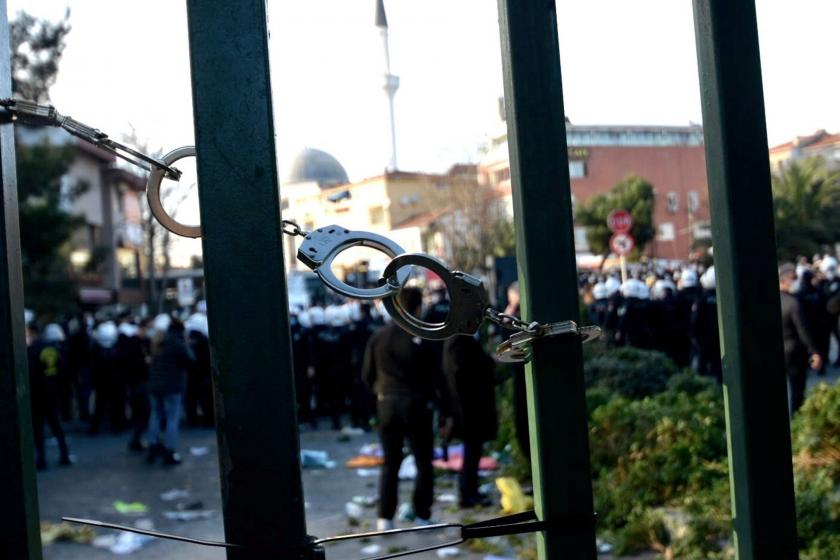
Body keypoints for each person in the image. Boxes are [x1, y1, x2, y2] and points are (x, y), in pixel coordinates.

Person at [362, 287, 453, 530]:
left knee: (390, 462)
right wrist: (446, 410)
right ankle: (422, 513)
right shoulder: (424, 339)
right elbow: (437, 378)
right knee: (423, 461)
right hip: (417, 405)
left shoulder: (378, 337)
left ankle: (385, 517)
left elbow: (367, 375)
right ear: (418, 307)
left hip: (387, 403)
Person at [442, 331, 497, 508]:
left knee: (473, 450)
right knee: (472, 450)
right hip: (469, 407)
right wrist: (488, 362)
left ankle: (470, 491)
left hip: (469, 406)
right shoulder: (458, 340)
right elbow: (462, 371)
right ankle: (468, 494)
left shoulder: (459, 339)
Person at [146, 318, 195, 465]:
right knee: (172, 418)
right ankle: (170, 450)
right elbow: (191, 360)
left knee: (155, 415)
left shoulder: (159, 342)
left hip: (155, 384)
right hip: (173, 385)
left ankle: (152, 445)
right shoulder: (178, 344)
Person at [28, 322, 73, 469]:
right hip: (52, 392)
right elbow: (62, 369)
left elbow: (31, 373)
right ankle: (64, 455)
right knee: (56, 425)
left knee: (39, 428)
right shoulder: (52, 349)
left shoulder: (32, 349)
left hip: (38, 393)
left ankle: (41, 459)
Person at [779, 263, 822, 414]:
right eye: (793, 278)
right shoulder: (794, 303)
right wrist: (814, 352)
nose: (796, 281)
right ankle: (796, 418)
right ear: (784, 281)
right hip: (794, 351)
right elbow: (803, 331)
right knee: (797, 390)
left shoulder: (773, 302)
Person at [116, 321, 150, 451]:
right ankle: (136, 438)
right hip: (137, 382)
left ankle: (136, 438)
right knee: (143, 411)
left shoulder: (137, 343)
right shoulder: (134, 344)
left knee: (141, 411)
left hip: (136, 382)